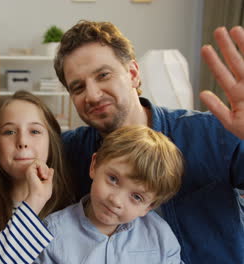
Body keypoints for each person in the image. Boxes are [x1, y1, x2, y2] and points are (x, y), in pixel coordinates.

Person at [54, 20, 244, 263]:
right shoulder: (69, 151)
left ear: (133, 74)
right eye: (78, 87)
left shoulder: (209, 132)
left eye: (103, 75)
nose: (92, 94)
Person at [36, 125, 184, 263]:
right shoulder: (51, 233)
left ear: (149, 207)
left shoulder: (161, 237)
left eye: (137, 197)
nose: (116, 200)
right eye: (113, 179)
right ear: (94, 165)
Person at [0, 90, 75, 263]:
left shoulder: (70, 199)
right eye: (9, 132)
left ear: (51, 142)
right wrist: (34, 201)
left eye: (35, 131)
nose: (22, 141)